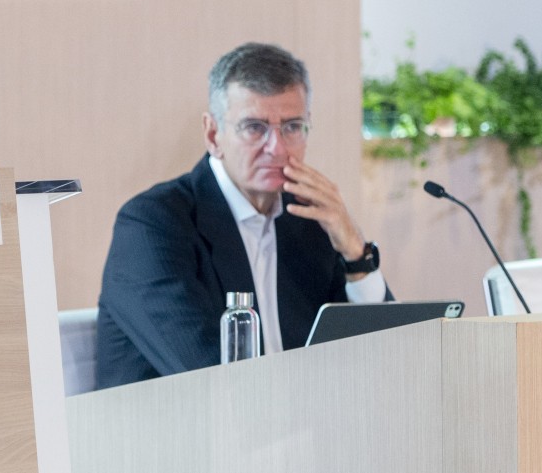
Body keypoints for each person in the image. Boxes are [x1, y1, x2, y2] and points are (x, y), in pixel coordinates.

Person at [95, 42, 390, 389]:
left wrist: (355, 252)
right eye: (254, 127)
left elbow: (385, 353)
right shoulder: (152, 225)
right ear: (213, 135)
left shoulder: (308, 219)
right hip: (184, 421)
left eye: (292, 127)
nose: (277, 148)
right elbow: (208, 376)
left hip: (299, 416)